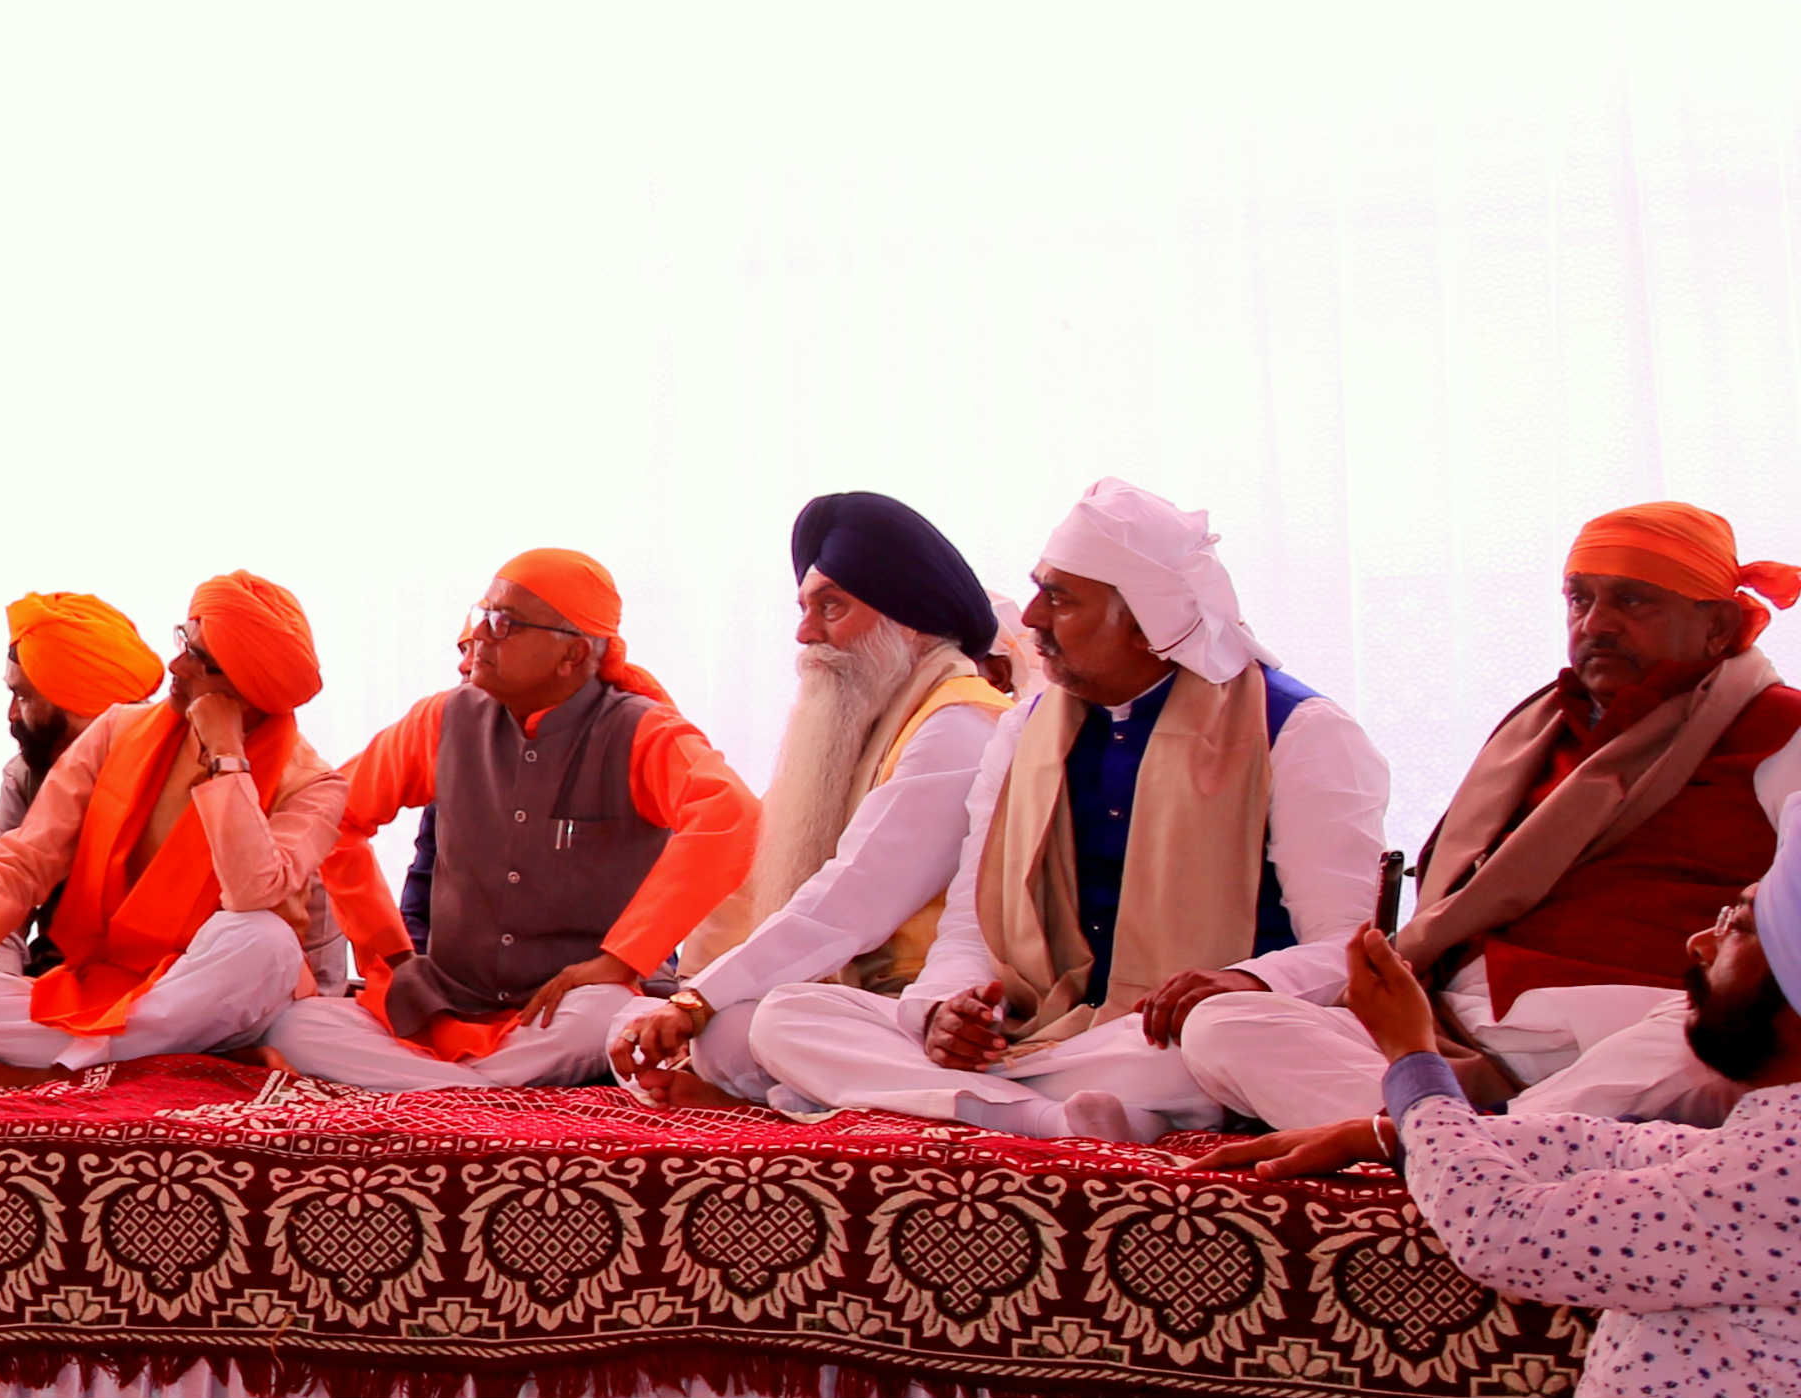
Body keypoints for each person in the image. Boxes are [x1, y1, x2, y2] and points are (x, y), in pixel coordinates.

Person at [747, 479, 1391, 1143]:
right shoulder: (1023, 732)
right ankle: (1050, 1118)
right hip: (1044, 1033)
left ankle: (983, 1101)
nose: (1030, 619)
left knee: (1222, 1035)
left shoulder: (1299, 730)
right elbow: (971, 927)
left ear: (1144, 624)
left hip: (1169, 1043)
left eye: (1059, 597)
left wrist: (1245, 980)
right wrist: (946, 1009)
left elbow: (1352, 950)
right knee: (787, 1017)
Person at [1177, 504, 1801, 1131]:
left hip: (1633, 1022)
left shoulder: (1781, 729)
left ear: (1718, 627)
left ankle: (1449, 1141)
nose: (1597, 625)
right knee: (1223, 1025)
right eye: (1580, 601)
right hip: (1459, 1022)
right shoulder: (1538, 730)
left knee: (1699, 1051)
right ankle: (1474, 1138)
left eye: (1634, 602)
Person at [1224, 895, 1801, 1395]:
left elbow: (1502, 1231)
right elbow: (1622, 1146)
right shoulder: (1774, 1137)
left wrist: (1412, 1058)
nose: (1701, 942)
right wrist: (1390, 1134)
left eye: (1739, 926)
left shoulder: (1780, 1172)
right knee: (1224, 1024)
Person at [263, 550, 759, 1087]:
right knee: (295, 1023)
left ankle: (430, 1089)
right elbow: (336, 815)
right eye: (482, 614)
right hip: (449, 1002)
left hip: (563, 1010)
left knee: (602, 1015)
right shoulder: (443, 718)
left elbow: (731, 815)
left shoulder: (643, 733)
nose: (479, 635)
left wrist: (622, 960)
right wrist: (390, 953)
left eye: (504, 623)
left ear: (571, 655)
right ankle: (477, 1091)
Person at [613, 494, 1015, 1109]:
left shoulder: (960, 719)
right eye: (804, 608)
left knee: (761, 1026)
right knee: (648, 1025)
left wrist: (699, 1002)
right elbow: (753, 889)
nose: (805, 635)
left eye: (832, 606)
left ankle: (791, 1097)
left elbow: (854, 899)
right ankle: (781, 1090)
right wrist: (687, 995)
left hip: (935, 1013)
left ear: (906, 615)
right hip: (848, 1002)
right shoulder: (870, 719)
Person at [0, 572, 346, 1084]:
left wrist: (228, 760)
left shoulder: (315, 784)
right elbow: (26, 857)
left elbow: (253, 893)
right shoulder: (118, 729)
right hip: (114, 980)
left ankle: (57, 1074)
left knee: (262, 939)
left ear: (245, 690)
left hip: (226, 994)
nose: (174, 665)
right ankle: (181, 1066)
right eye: (183, 638)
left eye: (199, 659)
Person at [0, 593, 166, 977]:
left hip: (171, 977)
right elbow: (4, 904)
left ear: (74, 700)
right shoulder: (24, 777)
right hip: (59, 972)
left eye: (22, 695)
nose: (10, 715)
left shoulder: (186, 766)